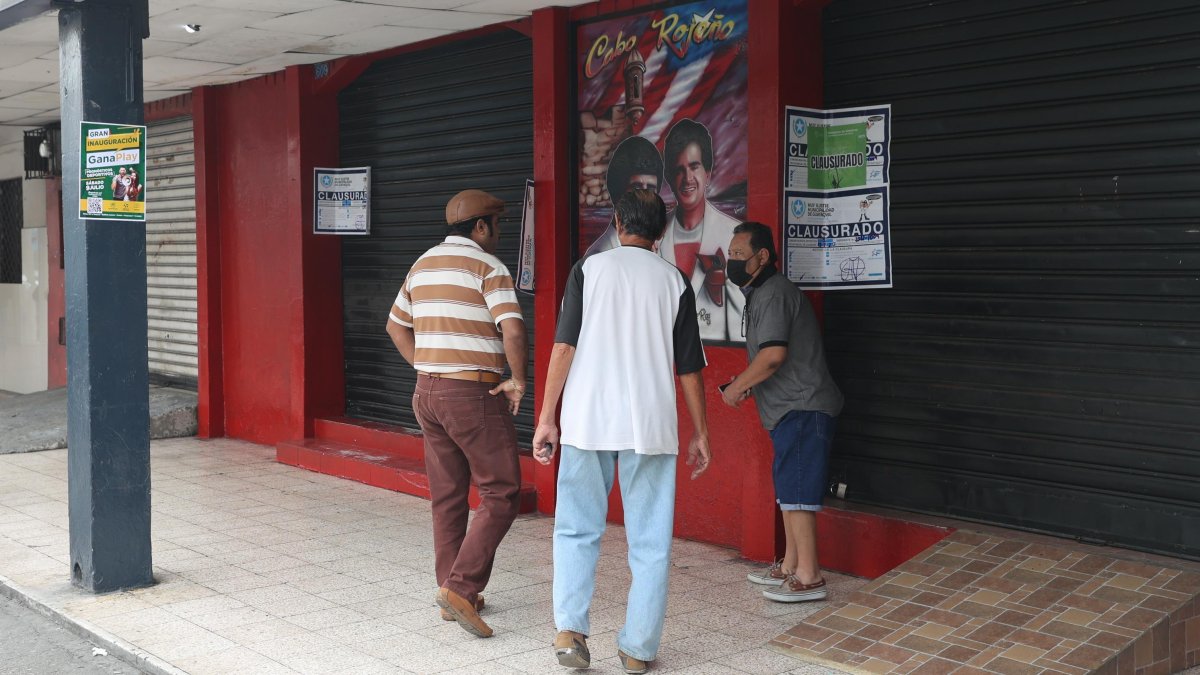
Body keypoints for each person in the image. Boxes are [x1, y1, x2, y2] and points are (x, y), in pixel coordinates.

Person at [534, 189, 711, 674]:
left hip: (588, 420)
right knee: (651, 541)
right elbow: (690, 368)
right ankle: (638, 649)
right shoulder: (674, 281)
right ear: (661, 232)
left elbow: (563, 348)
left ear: (616, 222)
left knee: (575, 528)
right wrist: (701, 432)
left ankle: (570, 629)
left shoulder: (589, 270)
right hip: (650, 425)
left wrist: (548, 415)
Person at [385, 189, 528, 638]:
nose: (499, 234)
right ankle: (461, 589)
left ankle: (450, 588)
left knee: (447, 494)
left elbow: (394, 325)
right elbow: (512, 328)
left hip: (427, 392)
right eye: (497, 225)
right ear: (481, 227)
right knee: (502, 491)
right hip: (471, 394)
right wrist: (518, 379)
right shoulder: (490, 268)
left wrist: (429, 368)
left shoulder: (422, 263)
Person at [720, 221, 844, 603]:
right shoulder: (762, 291)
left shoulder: (773, 293)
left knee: (799, 492)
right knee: (790, 489)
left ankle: (809, 576)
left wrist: (739, 386)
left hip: (803, 406)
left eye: (740, 255)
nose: (732, 261)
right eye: (731, 254)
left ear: (762, 257)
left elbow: (773, 356)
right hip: (789, 410)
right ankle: (791, 565)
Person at [658, 119, 744, 343]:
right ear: (668, 177)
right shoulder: (654, 237)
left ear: (708, 172)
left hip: (717, 361)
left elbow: (741, 330)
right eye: (679, 170)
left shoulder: (735, 235)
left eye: (694, 167)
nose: (687, 178)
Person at [583, 135, 665, 258]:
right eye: (636, 188)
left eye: (650, 189)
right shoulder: (599, 257)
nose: (644, 197)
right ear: (617, 193)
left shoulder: (660, 247)